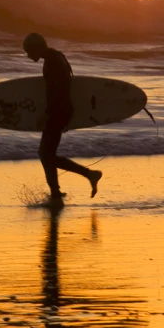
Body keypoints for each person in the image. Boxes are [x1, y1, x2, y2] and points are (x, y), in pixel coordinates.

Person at [22, 32, 102, 204]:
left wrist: (47, 113)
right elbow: (65, 86)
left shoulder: (51, 62)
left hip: (58, 111)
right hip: (63, 111)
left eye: (29, 51)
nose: (28, 56)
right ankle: (61, 191)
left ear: (36, 48)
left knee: (45, 154)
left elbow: (59, 91)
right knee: (47, 154)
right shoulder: (57, 57)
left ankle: (65, 190)